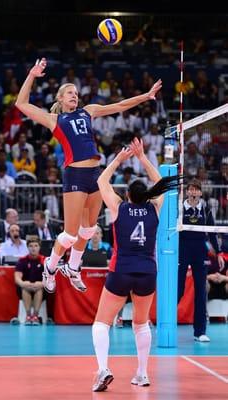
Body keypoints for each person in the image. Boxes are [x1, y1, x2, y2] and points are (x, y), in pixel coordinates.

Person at [15, 57, 162, 294]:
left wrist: (146, 96)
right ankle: (50, 267)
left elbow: (119, 106)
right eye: (69, 93)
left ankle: (73, 268)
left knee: (88, 230)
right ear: (60, 99)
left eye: (75, 93)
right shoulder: (55, 120)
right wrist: (32, 75)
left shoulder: (88, 112)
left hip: (94, 173)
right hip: (74, 175)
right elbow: (21, 104)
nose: (74, 95)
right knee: (70, 235)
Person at [91, 137, 181, 392]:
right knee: (141, 324)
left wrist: (120, 159)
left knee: (102, 322)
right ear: (146, 195)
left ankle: (103, 369)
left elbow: (101, 182)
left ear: (128, 195)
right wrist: (143, 158)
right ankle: (141, 374)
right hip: (147, 272)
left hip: (121, 271)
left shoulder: (119, 207)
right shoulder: (155, 207)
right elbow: (161, 185)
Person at [178, 179, 223, 342]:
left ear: (201, 193)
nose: (193, 192)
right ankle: (166, 325)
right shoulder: (180, 208)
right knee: (178, 290)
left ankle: (200, 332)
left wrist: (218, 253)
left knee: (200, 291)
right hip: (182, 251)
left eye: (196, 190)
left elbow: (212, 233)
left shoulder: (206, 210)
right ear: (187, 192)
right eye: (190, 189)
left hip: (199, 253)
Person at [14, 236, 46, 325]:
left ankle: (35, 316)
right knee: (25, 289)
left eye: (36, 246)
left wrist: (42, 284)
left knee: (39, 290)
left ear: (39, 247)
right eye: (31, 246)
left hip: (41, 288)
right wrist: (23, 283)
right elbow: (17, 277)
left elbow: (50, 279)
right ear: (27, 247)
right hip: (25, 288)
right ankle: (28, 316)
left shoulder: (45, 261)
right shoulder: (22, 261)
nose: (33, 248)